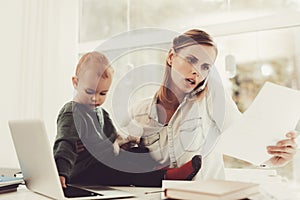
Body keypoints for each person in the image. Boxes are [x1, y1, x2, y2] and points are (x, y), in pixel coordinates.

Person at [121, 29, 299, 181]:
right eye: (191, 60)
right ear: (170, 57)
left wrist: (273, 157)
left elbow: (243, 135)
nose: (197, 71)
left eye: (205, 67)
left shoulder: (212, 98)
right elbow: (116, 155)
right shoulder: (139, 112)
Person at [53, 51, 202, 188]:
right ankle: (167, 177)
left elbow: (113, 138)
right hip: (84, 171)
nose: (95, 99)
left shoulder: (101, 112)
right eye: (90, 91)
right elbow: (65, 144)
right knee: (124, 169)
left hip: (105, 160)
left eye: (103, 93)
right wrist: (61, 173)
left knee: (140, 152)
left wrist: (123, 146)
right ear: (75, 82)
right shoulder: (72, 113)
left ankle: (156, 168)